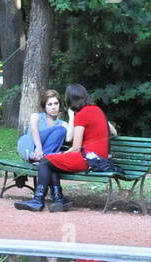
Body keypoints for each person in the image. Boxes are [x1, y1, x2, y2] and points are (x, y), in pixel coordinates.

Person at [14, 83, 116, 214]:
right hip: (99, 159)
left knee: (46, 161)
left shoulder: (81, 115)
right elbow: (114, 132)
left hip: (88, 159)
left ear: (70, 100)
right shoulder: (97, 110)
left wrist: (63, 153)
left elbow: (76, 147)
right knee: (52, 160)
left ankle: (38, 200)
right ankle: (59, 198)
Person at [16, 89, 69, 163]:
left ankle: (41, 158)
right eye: (50, 104)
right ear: (44, 107)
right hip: (28, 146)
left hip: (39, 155)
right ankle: (43, 157)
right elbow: (33, 130)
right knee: (61, 130)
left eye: (56, 103)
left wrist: (72, 115)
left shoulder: (63, 124)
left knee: (61, 130)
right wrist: (39, 147)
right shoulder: (36, 116)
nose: (53, 107)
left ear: (59, 105)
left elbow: (71, 138)